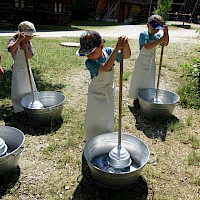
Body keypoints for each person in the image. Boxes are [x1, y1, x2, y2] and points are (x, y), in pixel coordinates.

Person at [76, 30, 131, 142]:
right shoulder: (89, 62)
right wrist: (116, 49)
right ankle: (91, 139)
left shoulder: (109, 52)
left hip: (108, 93)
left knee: (107, 118)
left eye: (91, 52)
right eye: (86, 53)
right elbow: (105, 68)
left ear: (101, 46)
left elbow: (126, 55)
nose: (88, 56)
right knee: (95, 118)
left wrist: (125, 44)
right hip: (95, 95)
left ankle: (106, 139)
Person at [129, 14, 169, 108]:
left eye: (158, 28)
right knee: (139, 81)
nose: (156, 30)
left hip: (151, 62)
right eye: (154, 28)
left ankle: (146, 98)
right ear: (147, 25)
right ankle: (136, 99)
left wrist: (166, 33)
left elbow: (165, 43)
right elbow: (146, 47)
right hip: (141, 62)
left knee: (148, 81)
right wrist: (161, 40)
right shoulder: (144, 34)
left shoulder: (157, 36)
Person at [7, 21, 37, 115]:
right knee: (18, 87)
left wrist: (26, 48)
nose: (30, 38)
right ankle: (19, 107)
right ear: (21, 34)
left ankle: (30, 103)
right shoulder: (14, 40)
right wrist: (19, 41)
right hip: (17, 69)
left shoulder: (28, 43)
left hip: (26, 67)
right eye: (28, 36)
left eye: (31, 36)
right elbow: (11, 49)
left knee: (28, 85)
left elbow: (30, 56)